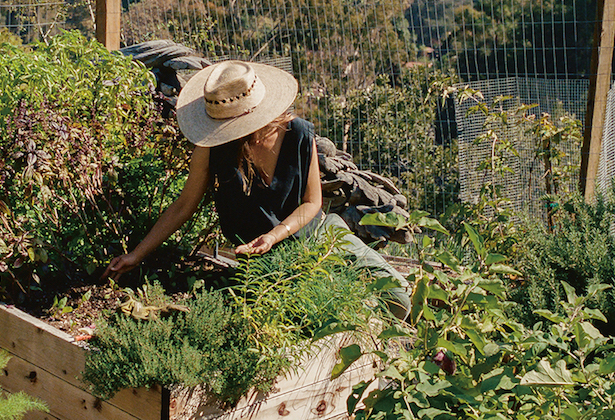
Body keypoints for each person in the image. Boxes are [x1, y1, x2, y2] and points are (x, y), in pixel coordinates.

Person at [103, 60, 411, 318]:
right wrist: (137, 254)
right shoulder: (213, 147)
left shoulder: (299, 134)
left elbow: (312, 202)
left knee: (397, 299)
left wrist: (275, 234)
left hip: (319, 236)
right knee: (309, 314)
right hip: (264, 262)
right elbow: (184, 205)